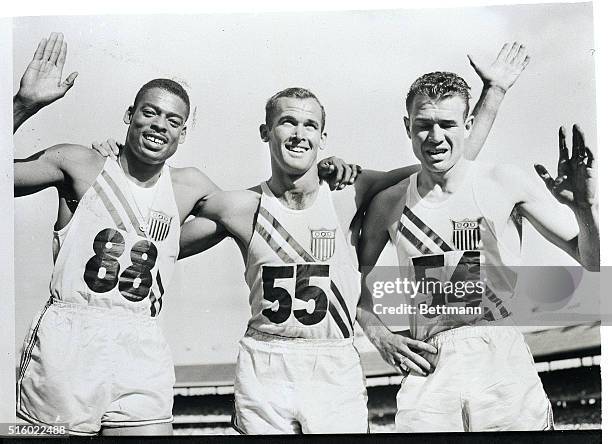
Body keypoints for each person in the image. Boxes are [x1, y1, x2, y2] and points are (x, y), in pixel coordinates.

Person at [173, 43, 529, 434]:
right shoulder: (240, 206)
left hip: (333, 360)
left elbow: (447, 161)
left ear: (323, 137)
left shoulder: (350, 192)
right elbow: (160, 239)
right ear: (265, 132)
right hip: (266, 358)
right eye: (287, 122)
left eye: (309, 125)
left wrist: (493, 94)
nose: (298, 133)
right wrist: (126, 164)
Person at [13, 33, 355, 436]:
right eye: (150, 113)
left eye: (173, 120)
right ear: (129, 115)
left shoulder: (190, 187)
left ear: (183, 134)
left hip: (141, 340)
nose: (160, 125)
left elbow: (263, 208)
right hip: (69, 335)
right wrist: (23, 105)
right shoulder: (78, 163)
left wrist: (322, 170)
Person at [357, 71, 598, 432]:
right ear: (407, 126)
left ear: (468, 124)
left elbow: (593, 262)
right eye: (423, 125)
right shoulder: (388, 205)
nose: (435, 137)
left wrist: (584, 209)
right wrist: (380, 335)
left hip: (501, 360)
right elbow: (349, 284)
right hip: (431, 367)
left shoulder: (503, 181)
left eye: (448, 124)